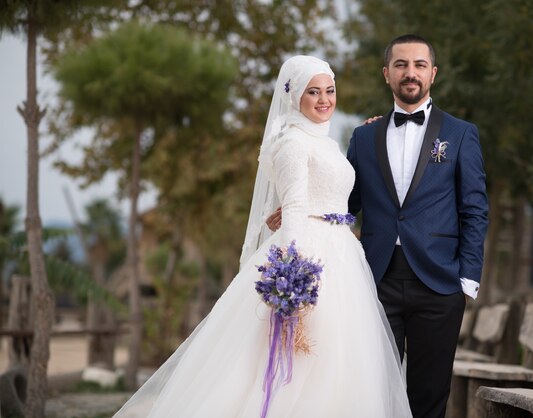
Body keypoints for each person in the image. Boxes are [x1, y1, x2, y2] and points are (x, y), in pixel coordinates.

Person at [113, 55, 412, 418]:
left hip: (344, 256)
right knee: (304, 365)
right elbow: (296, 210)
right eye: (312, 92)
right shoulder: (292, 144)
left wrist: (370, 133)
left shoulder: (328, 143)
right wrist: (292, 284)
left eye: (330, 91)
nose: (324, 100)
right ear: (294, 97)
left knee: (341, 361)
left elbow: (335, 196)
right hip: (311, 262)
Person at [266, 34, 489, 417]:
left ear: (433, 74)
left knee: (429, 395)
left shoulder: (460, 134)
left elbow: (475, 209)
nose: (410, 73)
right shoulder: (364, 136)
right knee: (370, 391)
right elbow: (346, 203)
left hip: (439, 284)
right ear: (386, 74)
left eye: (419, 65)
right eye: (401, 65)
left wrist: (466, 279)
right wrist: (299, 210)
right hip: (373, 280)